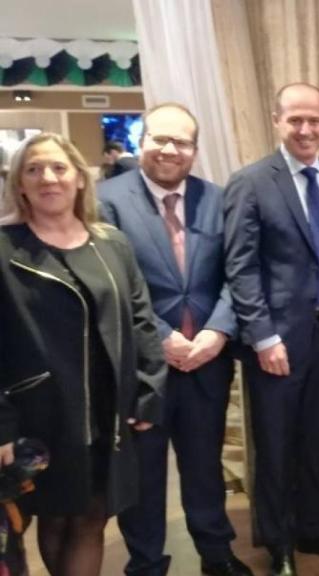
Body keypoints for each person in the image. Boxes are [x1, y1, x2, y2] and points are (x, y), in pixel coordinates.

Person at [0, 133, 165, 576]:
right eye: (33, 169)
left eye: (58, 167)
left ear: (78, 179)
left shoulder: (111, 242)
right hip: (41, 414)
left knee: (94, 516)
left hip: (108, 413)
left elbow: (141, 319)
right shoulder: (3, 246)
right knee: (55, 518)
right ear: (19, 184)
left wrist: (148, 390)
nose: (47, 178)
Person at [98, 103, 252, 576]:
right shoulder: (106, 200)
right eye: (160, 139)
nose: (170, 149)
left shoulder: (218, 197)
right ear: (143, 141)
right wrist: (161, 339)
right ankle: (145, 562)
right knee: (144, 474)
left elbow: (238, 274)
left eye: (181, 142)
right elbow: (113, 282)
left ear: (194, 150)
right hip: (142, 367)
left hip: (207, 359)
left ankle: (216, 553)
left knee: (205, 465)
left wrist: (217, 331)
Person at [224, 83, 319, 576]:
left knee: (316, 440)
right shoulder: (252, 181)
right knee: (277, 445)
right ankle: (278, 543)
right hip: (275, 343)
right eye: (296, 120)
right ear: (277, 121)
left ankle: (316, 528)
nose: (306, 129)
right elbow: (239, 268)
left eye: (315, 120)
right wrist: (263, 336)